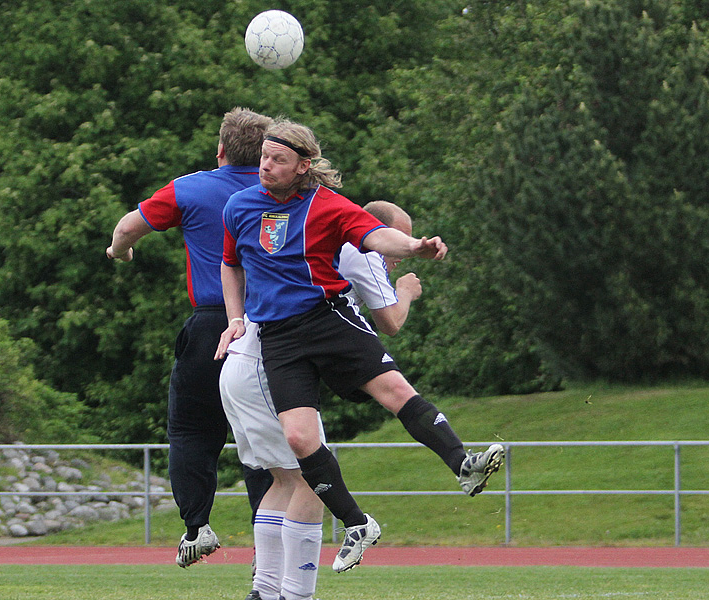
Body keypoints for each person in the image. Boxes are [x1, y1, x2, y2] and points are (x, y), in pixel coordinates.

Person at [215, 119, 505, 574]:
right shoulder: (240, 205)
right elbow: (230, 265)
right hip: (278, 338)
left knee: (393, 391)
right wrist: (235, 319)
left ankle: (463, 463)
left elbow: (375, 236)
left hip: (326, 319)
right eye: (265, 156)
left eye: (278, 160)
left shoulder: (327, 205)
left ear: (303, 166)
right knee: (298, 438)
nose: (266, 166)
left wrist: (414, 246)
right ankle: (356, 524)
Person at [220, 201, 422, 600]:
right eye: (396, 244)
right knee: (313, 477)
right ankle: (295, 594)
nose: (396, 257)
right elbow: (391, 322)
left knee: (284, 478)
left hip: (241, 365)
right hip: (264, 366)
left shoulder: (315, 239)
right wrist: (406, 293)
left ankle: (264, 591)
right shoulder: (359, 253)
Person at [106, 107, 275, 568]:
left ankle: (197, 527)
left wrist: (120, 251)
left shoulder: (191, 187)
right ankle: (270, 542)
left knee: (189, 430)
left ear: (220, 149)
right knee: (261, 438)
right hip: (271, 326)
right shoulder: (284, 192)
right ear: (266, 154)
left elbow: (126, 228)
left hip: (210, 325)